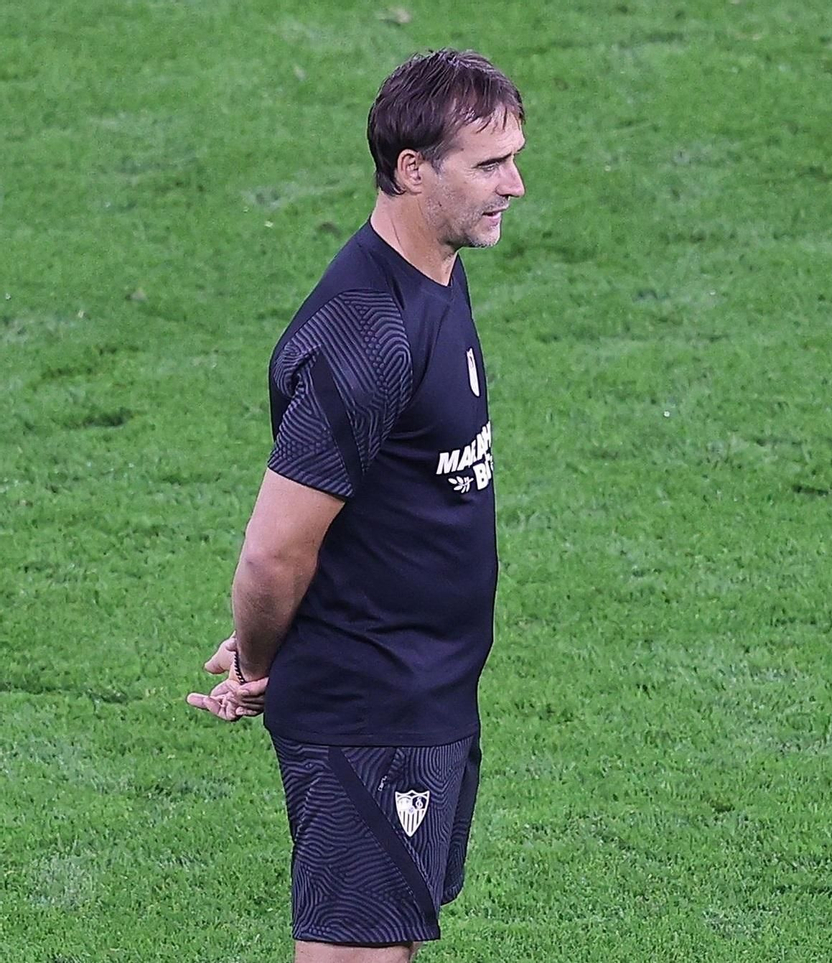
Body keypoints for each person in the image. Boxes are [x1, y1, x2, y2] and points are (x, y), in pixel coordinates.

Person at [185, 49, 525, 962]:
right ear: (414, 170)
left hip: (427, 697)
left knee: (393, 944)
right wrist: (260, 660)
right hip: (371, 710)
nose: (516, 185)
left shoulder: (436, 277)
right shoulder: (366, 333)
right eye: (491, 165)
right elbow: (272, 555)